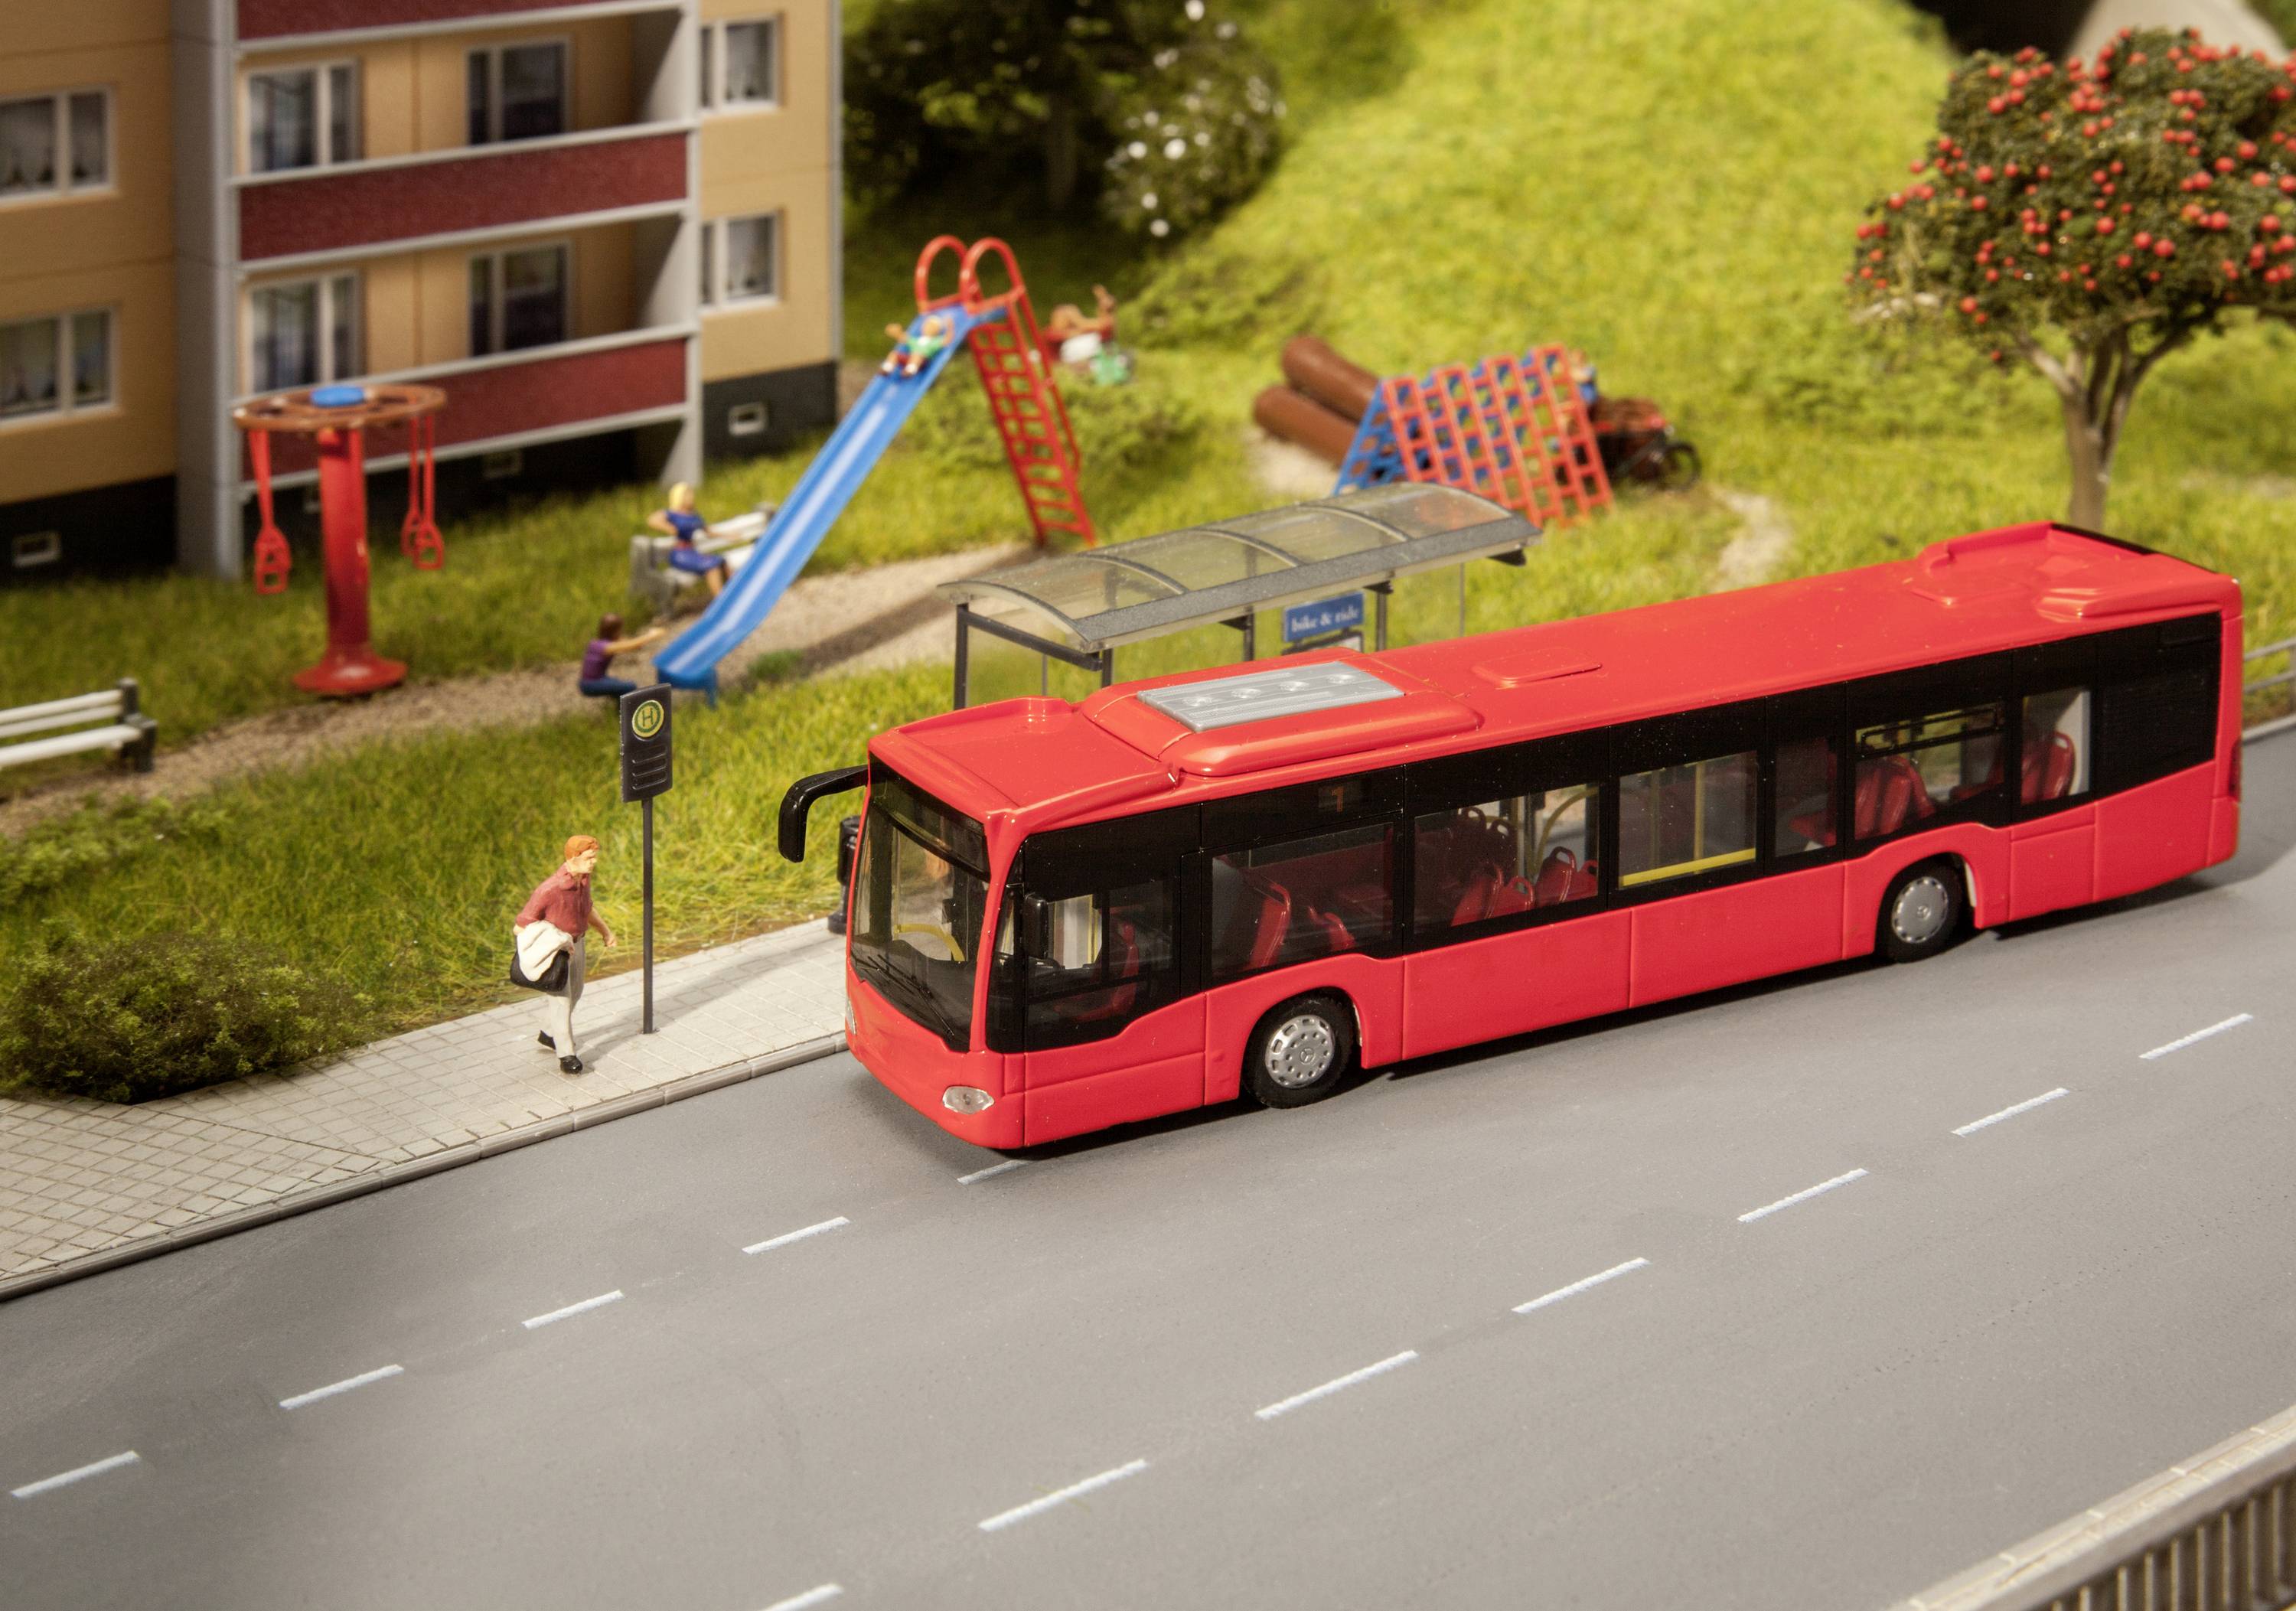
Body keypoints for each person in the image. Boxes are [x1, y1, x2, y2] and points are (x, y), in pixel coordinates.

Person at [516, 834, 617, 1074]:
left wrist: (605, 931)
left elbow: (587, 909)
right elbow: (521, 926)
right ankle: (566, 1054)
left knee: (576, 992)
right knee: (561, 1001)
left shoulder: (583, 880)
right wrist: (548, 941)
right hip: (558, 951)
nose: (594, 862)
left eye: (594, 857)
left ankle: (549, 1034)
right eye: (589, 858)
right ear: (573, 857)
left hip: (578, 943)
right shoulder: (549, 890)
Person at [647, 483, 728, 598]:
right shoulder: (672, 514)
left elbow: (708, 531)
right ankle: (721, 598)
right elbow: (652, 520)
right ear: (679, 497)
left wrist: (728, 536)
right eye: (687, 494)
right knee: (712, 566)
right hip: (681, 553)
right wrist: (668, 527)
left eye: (691, 494)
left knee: (721, 561)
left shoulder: (694, 516)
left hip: (691, 551)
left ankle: (735, 591)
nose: (691, 497)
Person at [579, 613, 665, 700]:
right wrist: (651, 636)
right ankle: (627, 711)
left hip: (591, 681)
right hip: (591, 685)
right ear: (614, 631)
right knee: (630, 686)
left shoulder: (595, 643)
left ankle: (619, 708)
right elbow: (632, 645)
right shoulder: (607, 647)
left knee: (618, 684)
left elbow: (631, 644)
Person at [880, 312, 954, 378]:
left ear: (937, 331)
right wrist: (897, 333)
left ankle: (910, 370)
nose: (928, 328)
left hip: (922, 361)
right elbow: (905, 339)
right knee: (894, 354)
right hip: (910, 358)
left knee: (917, 355)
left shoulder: (935, 341)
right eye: (926, 326)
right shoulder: (916, 340)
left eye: (931, 327)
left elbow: (947, 340)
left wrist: (950, 327)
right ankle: (887, 369)